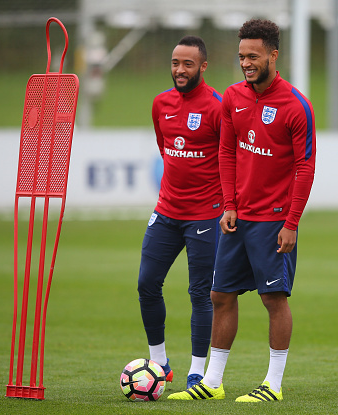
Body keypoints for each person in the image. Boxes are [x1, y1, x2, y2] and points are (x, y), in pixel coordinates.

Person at [168, 18, 316, 403]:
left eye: (253, 56)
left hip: (274, 220)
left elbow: (305, 167)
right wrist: (229, 204)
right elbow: (227, 151)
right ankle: (213, 382)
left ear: (273, 54)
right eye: (241, 56)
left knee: (273, 299)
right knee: (220, 295)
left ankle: (274, 384)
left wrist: (292, 223)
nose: (246, 63)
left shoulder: (296, 105)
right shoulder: (233, 97)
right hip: (238, 217)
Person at [137, 35, 223, 390]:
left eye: (188, 64)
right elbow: (165, 147)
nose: (180, 70)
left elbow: (230, 157)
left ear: (203, 66)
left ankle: (198, 371)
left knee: (200, 294)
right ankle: (159, 363)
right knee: (146, 284)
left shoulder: (218, 105)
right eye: (175, 63)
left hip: (206, 215)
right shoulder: (161, 104)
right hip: (167, 211)